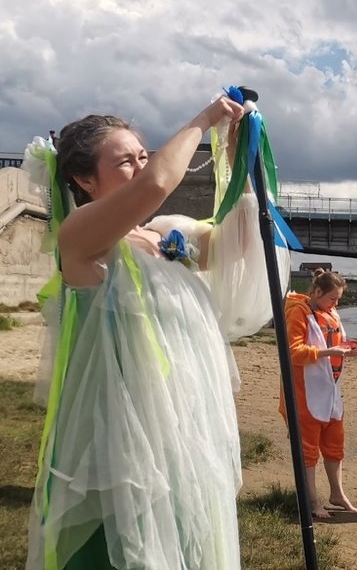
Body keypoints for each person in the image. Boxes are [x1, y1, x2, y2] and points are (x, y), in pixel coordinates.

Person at [25, 96, 287, 569]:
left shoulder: (166, 233)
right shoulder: (81, 239)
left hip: (181, 429)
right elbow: (158, 183)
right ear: (85, 180)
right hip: (118, 438)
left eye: (143, 155)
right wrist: (204, 120)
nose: (141, 165)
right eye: (125, 161)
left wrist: (237, 156)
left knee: (184, 540)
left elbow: (244, 241)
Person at [283, 268, 357, 519]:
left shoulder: (330, 312)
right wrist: (330, 352)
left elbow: (331, 338)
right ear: (316, 292)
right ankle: (311, 502)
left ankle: (337, 493)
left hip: (331, 391)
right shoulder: (298, 312)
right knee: (308, 449)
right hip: (304, 391)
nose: (335, 304)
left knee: (335, 444)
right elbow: (293, 352)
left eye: (338, 300)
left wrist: (345, 349)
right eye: (332, 299)